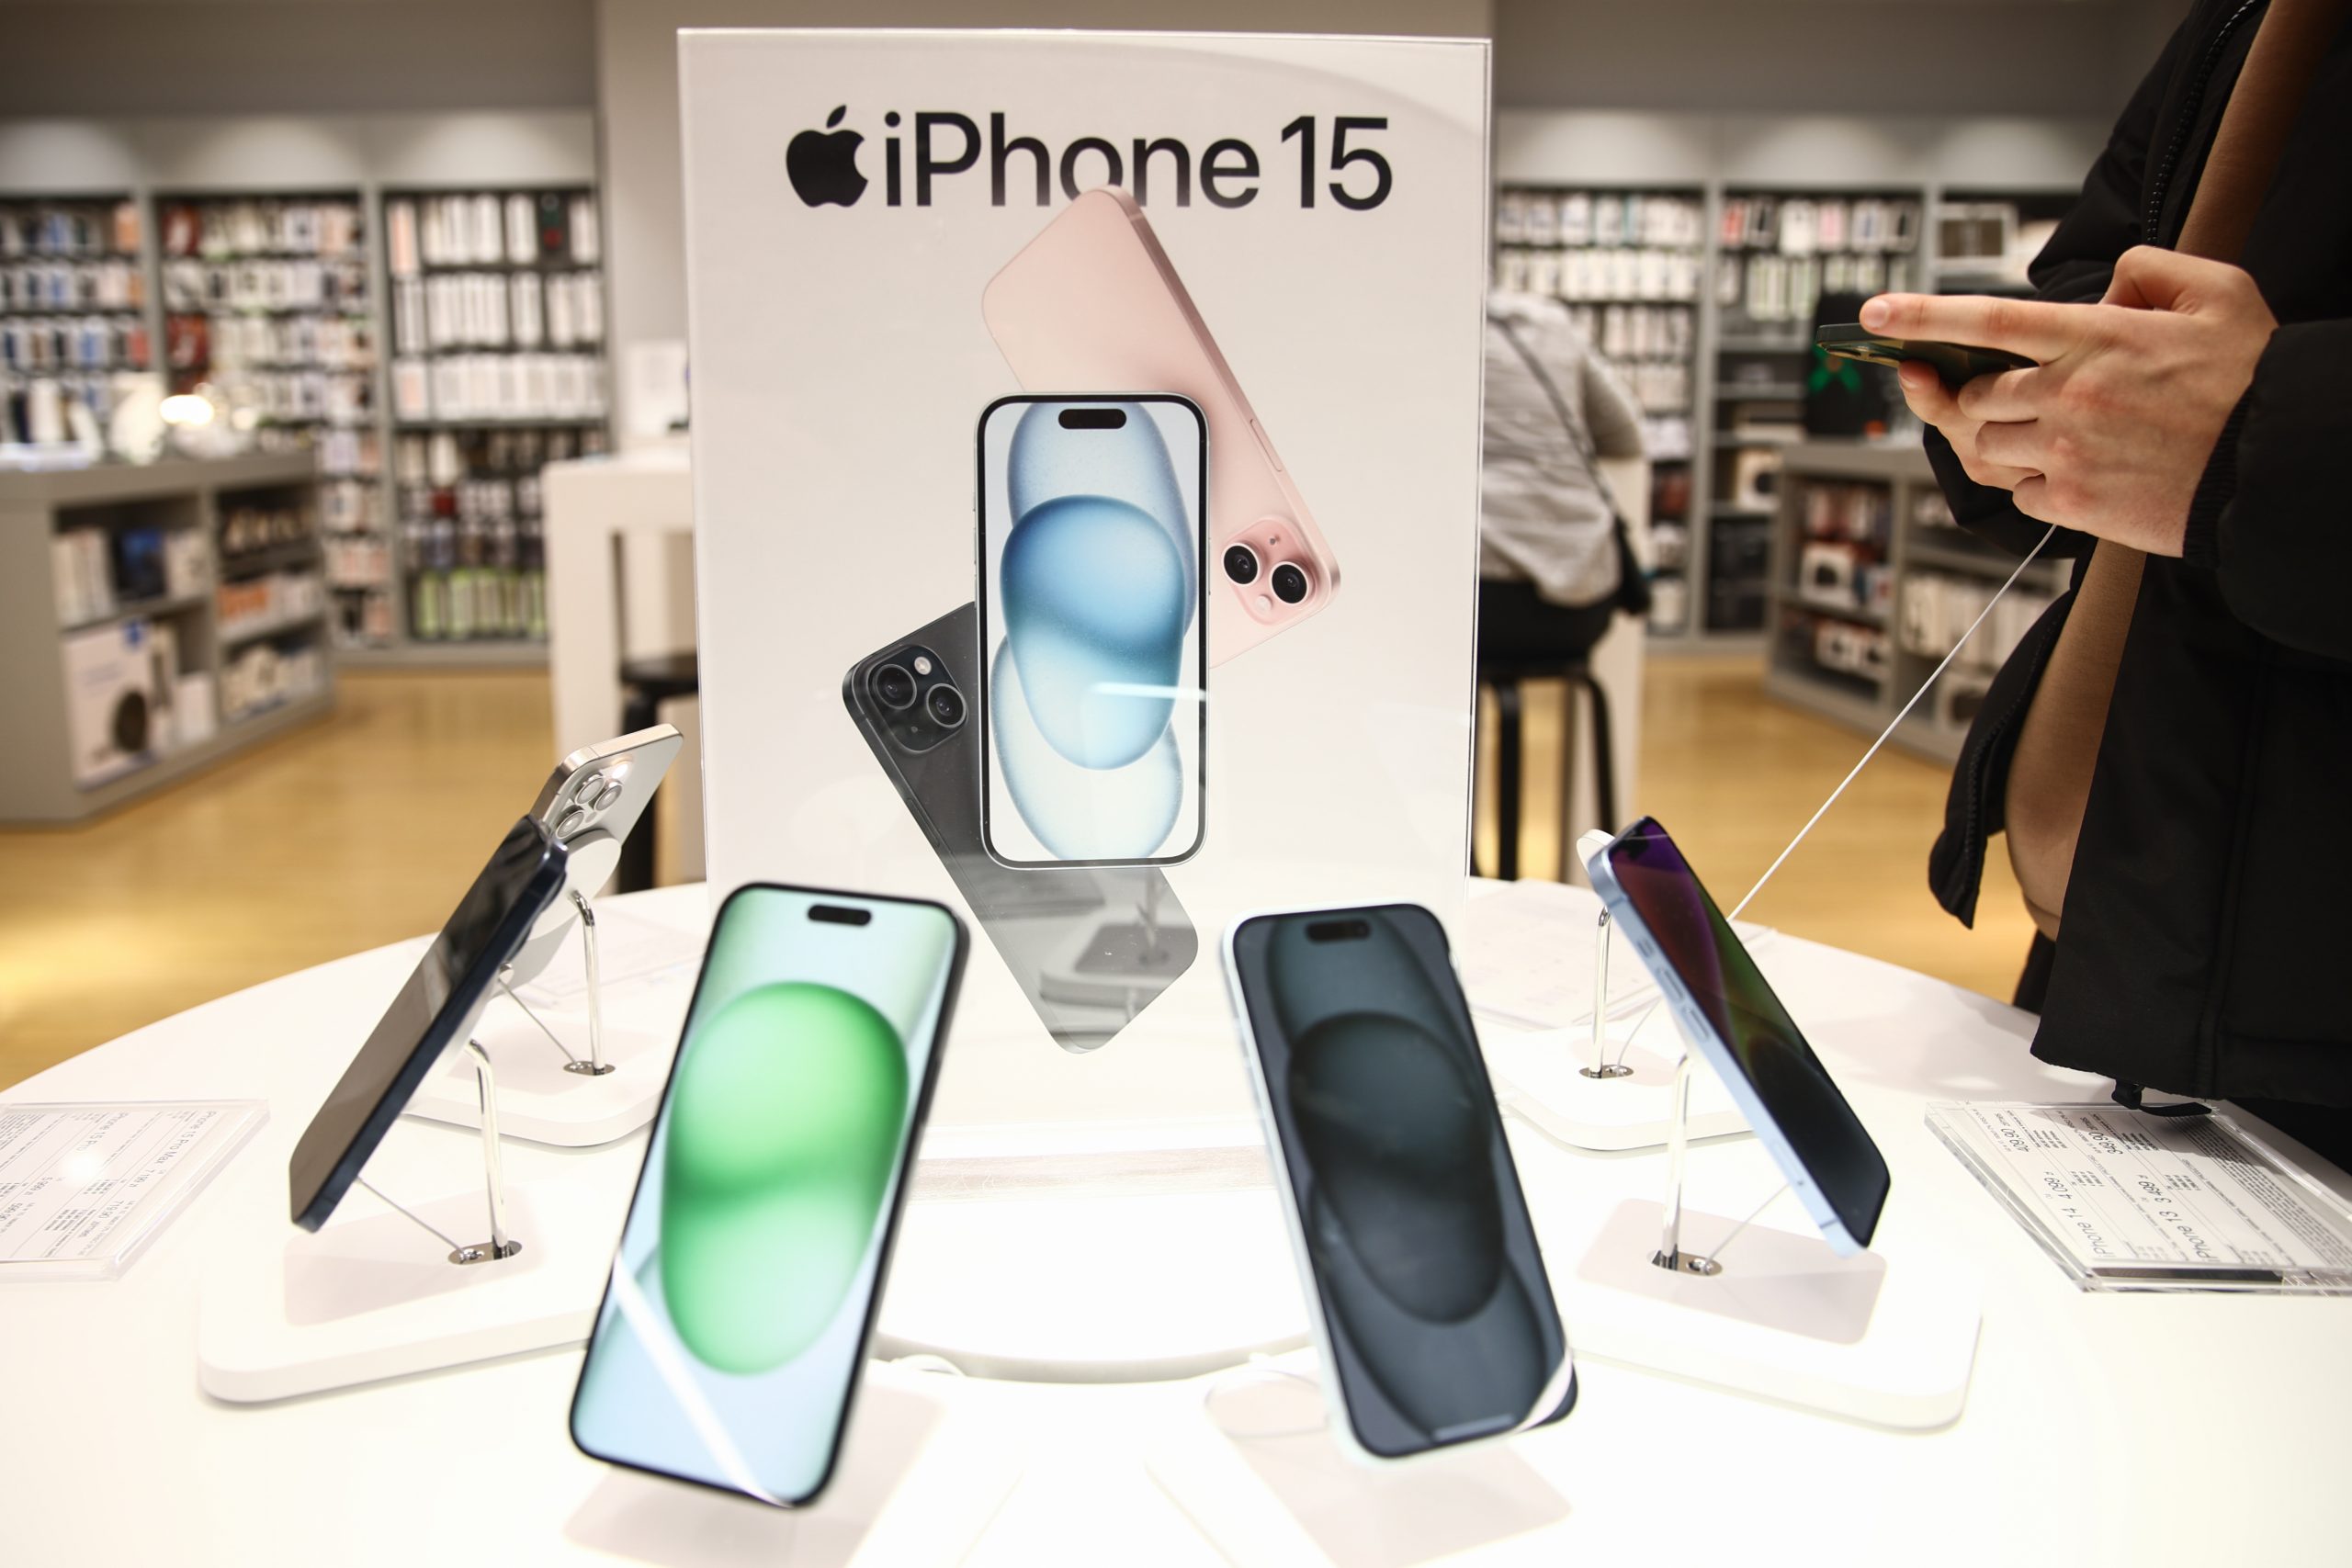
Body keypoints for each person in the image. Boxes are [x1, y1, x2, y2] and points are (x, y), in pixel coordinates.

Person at [1865, 0, 2351, 1159]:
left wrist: (2261, 437)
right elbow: (2107, 269)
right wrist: (2029, 402)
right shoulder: (2241, 18)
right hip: (2142, 911)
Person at [1478, 292, 1650, 667]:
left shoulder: (1435, 331)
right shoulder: (1553, 325)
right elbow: (1626, 435)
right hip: (1583, 602)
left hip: (1478, 599)